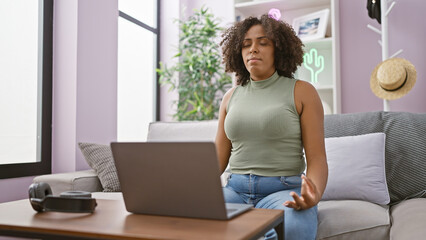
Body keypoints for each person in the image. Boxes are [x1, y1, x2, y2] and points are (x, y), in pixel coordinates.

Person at [216, 14, 328, 240]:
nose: (253, 49)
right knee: (192, 222)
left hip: (283, 190)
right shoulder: (230, 97)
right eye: (246, 44)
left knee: (295, 229)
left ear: (279, 49)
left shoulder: (302, 91)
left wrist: (313, 194)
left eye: (263, 42)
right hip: (234, 190)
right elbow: (217, 159)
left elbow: (317, 159)